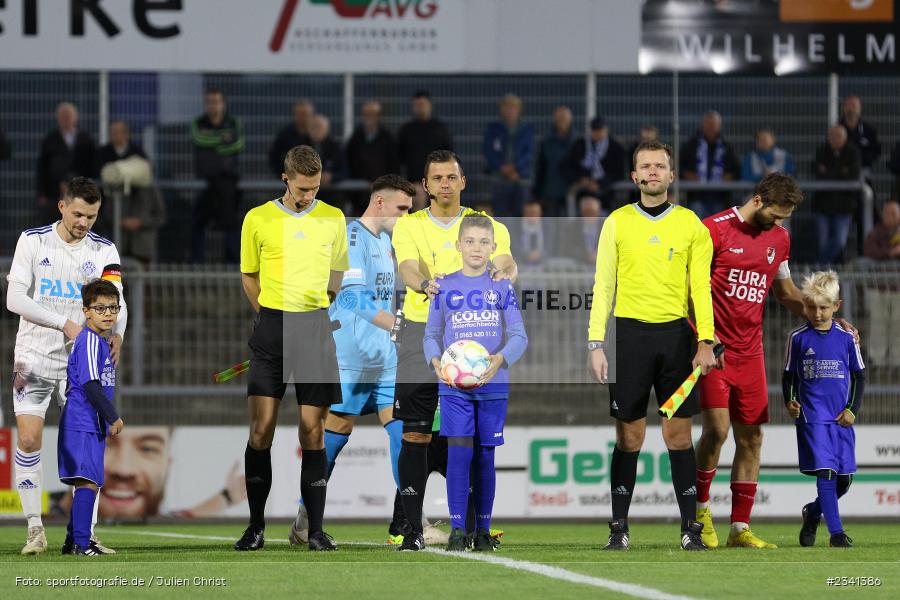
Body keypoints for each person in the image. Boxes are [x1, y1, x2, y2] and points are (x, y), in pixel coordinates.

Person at [587, 140, 717, 551]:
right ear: (634, 176)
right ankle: (619, 528)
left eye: (661, 166)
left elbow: (701, 286)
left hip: (677, 340)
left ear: (672, 175)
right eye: (646, 167)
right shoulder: (618, 222)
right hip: (628, 338)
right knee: (630, 439)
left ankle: (688, 530)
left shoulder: (692, 225)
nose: (653, 172)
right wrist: (595, 342)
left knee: (679, 437)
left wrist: (706, 340)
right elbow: (603, 285)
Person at [390, 149, 517, 551]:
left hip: (476, 340)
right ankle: (409, 531)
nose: (445, 184)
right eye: (437, 178)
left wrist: (505, 272)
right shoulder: (409, 226)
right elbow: (407, 267)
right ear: (424, 186)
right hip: (419, 333)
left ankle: (476, 529)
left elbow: (507, 259)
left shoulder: (485, 225)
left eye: (452, 177)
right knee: (415, 433)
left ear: (463, 182)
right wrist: (425, 284)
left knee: (474, 440)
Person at [288, 175, 414, 545]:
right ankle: (305, 517)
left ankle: (408, 520)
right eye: (402, 209)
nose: (407, 216)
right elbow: (355, 298)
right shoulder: (353, 237)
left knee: (405, 434)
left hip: (384, 358)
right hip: (350, 356)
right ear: (379, 203)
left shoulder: (386, 242)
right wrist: (398, 325)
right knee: (334, 435)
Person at [235, 145, 347, 552]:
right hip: (273, 330)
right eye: (302, 188)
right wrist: (268, 314)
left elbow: (337, 268)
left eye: (315, 188)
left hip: (315, 328)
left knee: (313, 431)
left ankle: (313, 530)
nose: (308, 195)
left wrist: (327, 298)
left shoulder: (333, 218)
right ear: (286, 179)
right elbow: (249, 275)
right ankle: (255, 527)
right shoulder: (258, 218)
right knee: (260, 430)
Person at [6, 176, 126, 556]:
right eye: (77, 214)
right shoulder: (33, 240)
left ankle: (82, 536)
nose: (84, 222)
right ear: (61, 207)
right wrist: (65, 323)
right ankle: (34, 529)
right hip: (33, 357)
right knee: (27, 439)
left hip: (80, 364)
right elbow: (14, 299)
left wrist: (119, 333)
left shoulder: (104, 250)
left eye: (91, 216)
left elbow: (116, 298)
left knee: (85, 450)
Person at [694, 173, 806, 549]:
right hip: (715, 351)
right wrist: (705, 339)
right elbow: (686, 292)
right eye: (776, 215)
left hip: (751, 353)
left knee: (753, 437)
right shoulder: (714, 230)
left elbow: (786, 292)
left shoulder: (780, 240)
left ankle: (740, 528)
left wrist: (824, 314)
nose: (779, 223)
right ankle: (700, 513)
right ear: (758, 200)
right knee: (718, 430)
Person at [424, 214, 528, 551]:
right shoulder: (444, 286)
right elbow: (430, 334)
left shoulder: (501, 288)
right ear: (458, 246)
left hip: (493, 385)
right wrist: (436, 362)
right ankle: (457, 530)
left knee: (484, 457)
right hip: (454, 388)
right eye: (470, 241)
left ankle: (482, 531)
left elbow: (519, 336)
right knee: (458, 455)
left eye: (484, 242)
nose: (477, 248)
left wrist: (499, 360)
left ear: (494, 247)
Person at [784, 271, 865, 548]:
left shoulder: (846, 337)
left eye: (823, 307)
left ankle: (813, 512)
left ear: (836, 306)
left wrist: (852, 409)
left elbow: (859, 376)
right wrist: (790, 401)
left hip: (841, 417)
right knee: (826, 472)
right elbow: (789, 376)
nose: (817, 313)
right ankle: (836, 534)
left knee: (844, 480)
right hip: (813, 416)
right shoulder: (797, 338)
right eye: (811, 306)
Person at [58, 279, 124, 557]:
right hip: (82, 420)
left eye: (113, 308)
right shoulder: (87, 340)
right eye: (100, 308)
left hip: (90, 423)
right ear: (86, 311)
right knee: (87, 482)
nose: (108, 314)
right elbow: (89, 384)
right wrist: (113, 417)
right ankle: (81, 545)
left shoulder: (98, 342)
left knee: (89, 481)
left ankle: (73, 541)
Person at [96, 120, 166, 266]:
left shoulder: (148, 187)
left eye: (117, 132)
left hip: (142, 244)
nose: (114, 136)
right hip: (119, 240)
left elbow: (160, 215)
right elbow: (107, 210)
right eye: (112, 132)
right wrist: (119, 222)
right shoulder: (103, 154)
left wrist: (140, 222)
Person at [191, 88, 245, 263]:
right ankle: (197, 266)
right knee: (198, 222)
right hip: (204, 183)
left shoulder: (233, 122)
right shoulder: (198, 122)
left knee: (230, 223)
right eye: (209, 102)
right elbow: (199, 139)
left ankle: (231, 266)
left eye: (216, 101)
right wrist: (223, 139)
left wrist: (214, 141)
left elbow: (238, 143)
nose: (212, 105)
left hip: (228, 183)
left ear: (223, 104)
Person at [36, 102, 96, 225]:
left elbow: (91, 165)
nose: (66, 119)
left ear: (76, 117)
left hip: (81, 192)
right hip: (53, 194)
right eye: (63, 116)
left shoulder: (86, 139)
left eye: (68, 115)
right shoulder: (50, 140)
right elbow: (42, 168)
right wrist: (42, 193)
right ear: (57, 118)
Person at [814, 125, 862, 264]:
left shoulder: (852, 152)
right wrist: (841, 172)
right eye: (831, 136)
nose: (834, 139)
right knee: (823, 243)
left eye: (838, 136)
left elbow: (853, 174)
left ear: (845, 138)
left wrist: (828, 172)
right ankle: (825, 277)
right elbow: (816, 171)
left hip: (844, 207)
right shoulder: (822, 151)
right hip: (822, 205)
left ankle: (819, 266)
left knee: (840, 242)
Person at [398, 91, 453, 210]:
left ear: (429, 106)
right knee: (418, 195)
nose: (420, 108)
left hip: (438, 180)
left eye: (423, 104)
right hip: (413, 181)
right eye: (417, 105)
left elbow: (449, 156)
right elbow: (399, 158)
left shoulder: (440, 129)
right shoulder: (406, 130)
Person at [680, 111, 740, 219]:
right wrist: (688, 175)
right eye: (708, 124)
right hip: (696, 197)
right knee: (697, 223)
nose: (710, 128)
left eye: (713, 125)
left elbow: (735, 169)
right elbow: (681, 166)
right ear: (702, 125)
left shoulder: (726, 146)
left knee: (719, 226)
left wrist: (729, 176)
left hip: (720, 198)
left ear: (719, 126)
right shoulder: (691, 145)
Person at [483, 94, 534, 218]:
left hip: (520, 179)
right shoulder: (493, 129)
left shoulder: (527, 130)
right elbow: (488, 151)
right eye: (507, 107)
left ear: (519, 110)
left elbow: (529, 153)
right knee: (500, 215)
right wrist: (502, 168)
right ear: (502, 109)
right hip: (499, 178)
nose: (510, 111)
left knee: (521, 215)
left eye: (513, 107)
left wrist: (516, 168)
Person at [862, 200, 900, 369]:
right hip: (878, 287)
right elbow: (870, 252)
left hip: (897, 288)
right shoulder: (875, 234)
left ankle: (896, 359)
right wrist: (891, 252)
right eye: (887, 213)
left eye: (893, 214)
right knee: (878, 323)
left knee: (897, 324)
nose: (889, 217)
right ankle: (877, 359)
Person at [346, 100, 400, 215]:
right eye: (365, 114)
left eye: (371, 114)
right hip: (358, 192)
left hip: (382, 191)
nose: (368, 117)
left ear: (378, 116)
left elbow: (394, 166)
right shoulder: (355, 138)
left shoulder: (388, 138)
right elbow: (348, 162)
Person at [562, 116, 626, 212]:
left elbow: (619, 172)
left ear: (606, 130)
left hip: (608, 195)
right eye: (594, 129)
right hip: (583, 194)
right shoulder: (579, 145)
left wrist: (600, 184)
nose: (597, 133)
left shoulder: (615, 147)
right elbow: (567, 167)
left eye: (600, 129)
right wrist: (582, 180)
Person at [532, 106, 575, 217]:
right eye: (559, 118)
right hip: (550, 193)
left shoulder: (578, 142)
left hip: (572, 193)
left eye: (564, 118)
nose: (562, 121)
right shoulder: (547, 142)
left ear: (570, 119)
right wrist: (538, 193)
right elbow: (541, 168)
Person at [268, 99, 314, 177]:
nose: (303, 117)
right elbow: (274, 155)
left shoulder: (318, 134)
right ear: (295, 115)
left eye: (305, 114)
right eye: (300, 114)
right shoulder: (285, 134)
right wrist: (282, 173)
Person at [839, 95, 881, 177]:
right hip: (841, 172)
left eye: (854, 105)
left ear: (860, 109)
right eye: (848, 105)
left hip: (862, 170)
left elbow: (876, 152)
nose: (851, 109)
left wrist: (859, 162)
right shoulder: (836, 130)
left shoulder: (869, 130)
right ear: (843, 108)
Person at [558, 193, 603, 266]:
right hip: (579, 265)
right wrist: (586, 255)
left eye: (592, 212)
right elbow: (568, 248)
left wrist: (599, 255)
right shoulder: (572, 227)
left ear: (598, 212)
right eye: (587, 212)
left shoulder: (607, 226)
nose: (590, 215)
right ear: (581, 212)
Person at [308, 114, 345, 187]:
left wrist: (332, 177)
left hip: (330, 191)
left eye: (319, 127)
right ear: (308, 129)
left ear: (326, 130)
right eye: (313, 127)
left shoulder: (336, 147)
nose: (316, 130)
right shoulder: (300, 147)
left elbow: (345, 171)